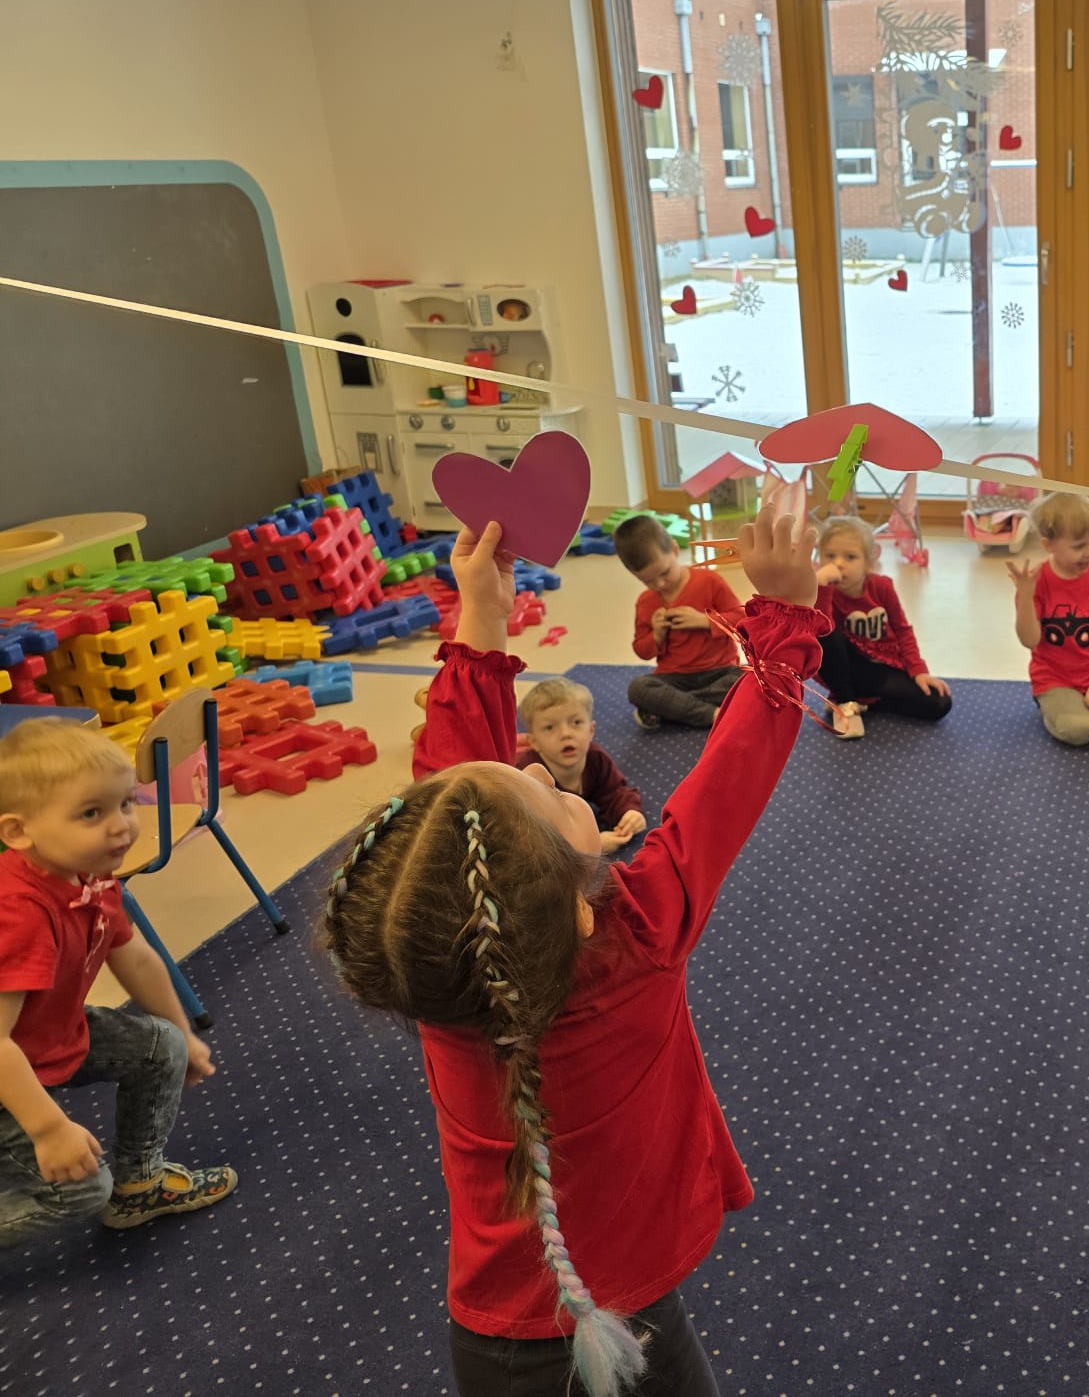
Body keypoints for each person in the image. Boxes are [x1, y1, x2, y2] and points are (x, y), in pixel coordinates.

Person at [322, 509, 822, 1397]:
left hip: (493, 1342)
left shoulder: (440, 960)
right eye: (548, 796)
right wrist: (781, 620)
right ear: (580, 910)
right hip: (636, 1308)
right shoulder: (637, 930)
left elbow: (451, 811)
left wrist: (481, 619)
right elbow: (728, 781)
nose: (534, 769)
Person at [0, 719, 233, 1247]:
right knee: (79, 1192)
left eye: (125, 803)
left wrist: (184, 1034)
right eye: (91, 813)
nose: (121, 826)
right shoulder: (18, 913)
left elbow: (135, 959)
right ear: (18, 833)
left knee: (161, 1046)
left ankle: (139, 1187)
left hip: (49, 1039)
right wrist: (49, 1130)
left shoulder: (90, 874)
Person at [1006, 492, 1089, 746]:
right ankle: (1047, 703)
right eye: (1078, 546)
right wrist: (1026, 598)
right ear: (1049, 545)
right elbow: (1030, 640)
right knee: (1080, 731)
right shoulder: (1038, 580)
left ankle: (1083, 701)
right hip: (1054, 679)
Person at [812, 515, 952, 739]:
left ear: (868, 563)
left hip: (882, 667)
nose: (838, 564)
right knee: (825, 633)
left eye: (850, 557)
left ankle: (863, 701)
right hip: (843, 668)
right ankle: (846, 703)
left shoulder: (882, 587)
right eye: (830, 556)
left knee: (939, 703)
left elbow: (902, 629)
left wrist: (918, 670)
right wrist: (821, 587)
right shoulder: (825, 593)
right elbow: (819, 630)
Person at [615, 515, 744, 730]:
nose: (660, 584)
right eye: (648, 581)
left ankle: (671, 709)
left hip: (720, 672)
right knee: (638, 688)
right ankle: (713, 714)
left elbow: (743, 621)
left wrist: (704, 620)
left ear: (675, 550)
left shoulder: (709, 581)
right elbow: (641, 650)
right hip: (674, 678)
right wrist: (656, 635)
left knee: (749, 679)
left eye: (664, 573)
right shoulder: (646, 602)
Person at [516, 678, 647, 853]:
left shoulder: (595, 757)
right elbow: (533, 834)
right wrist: (590, 846)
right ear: (534, 742)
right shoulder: (530, 776)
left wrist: (629, 812)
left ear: (591, 730)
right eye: (550, 727)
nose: (566, 734)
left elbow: (615, 791)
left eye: (576, 723)